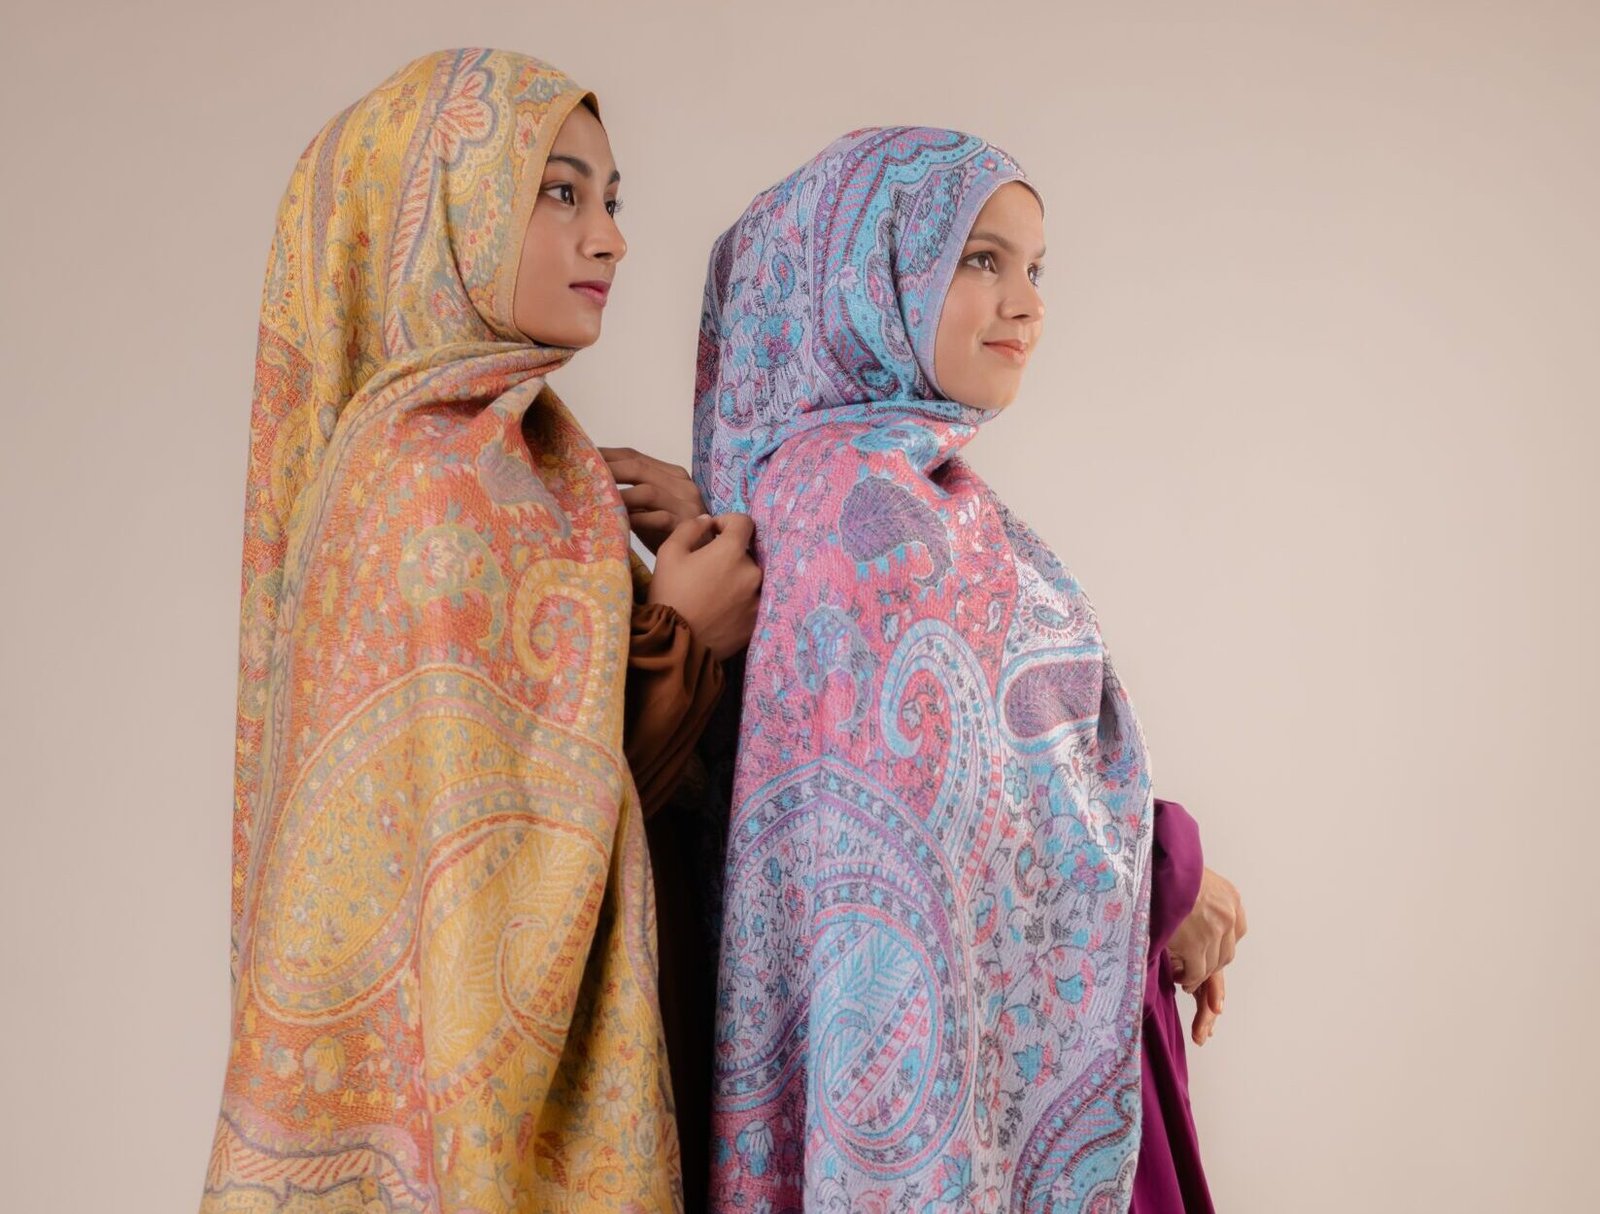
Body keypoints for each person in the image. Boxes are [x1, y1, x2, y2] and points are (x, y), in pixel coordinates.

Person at [200, 48, 758, 1213]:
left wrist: (678, 566)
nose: (609, 239)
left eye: (611, 199)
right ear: (444, 212)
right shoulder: (426, 487)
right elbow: (499, 876)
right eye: (559, 192)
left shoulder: (531, 461)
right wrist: (681, 633)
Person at [692, 126, 1244, 1211]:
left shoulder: (839, 486)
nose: (1026, 305)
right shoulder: (869, 510)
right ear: (865, 277)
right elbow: (960, 834)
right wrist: (1170, 876)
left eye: (1035, 268)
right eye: (980, 260)